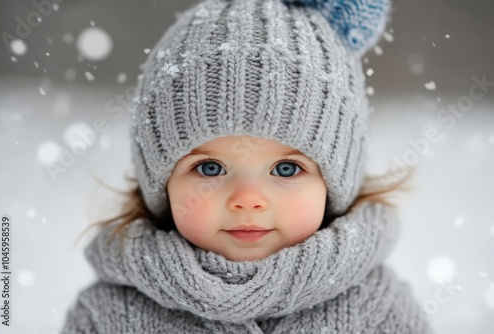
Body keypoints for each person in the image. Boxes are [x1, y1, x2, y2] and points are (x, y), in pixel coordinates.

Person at [62, 0, 433, 332]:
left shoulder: (379, 311)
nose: (248, 200)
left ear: (336, 185)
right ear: (160, 184)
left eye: (286, 170)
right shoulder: (109, 315)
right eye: (210, 169)